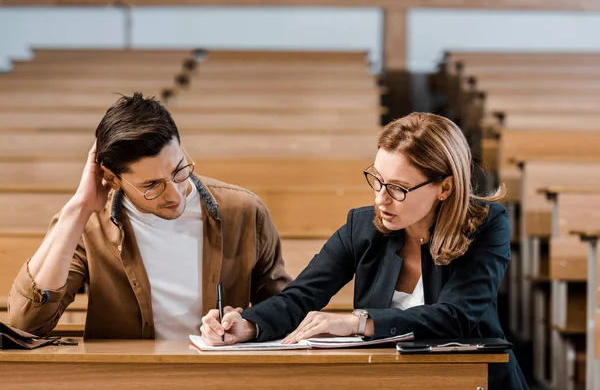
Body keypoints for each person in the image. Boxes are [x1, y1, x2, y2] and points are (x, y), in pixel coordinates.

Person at [200, 112, 528, 389]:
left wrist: (359, 322)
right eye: (378, 180)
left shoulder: (487, 225)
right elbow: (300, 297)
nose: (380, 199)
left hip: (477, 380)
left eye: (398, 188)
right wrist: (247, 325)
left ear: (445, 188)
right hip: (388, 381)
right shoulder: (363, 226)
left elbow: (456, 317)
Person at [8, 92, 292, 340]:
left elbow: (286, 310)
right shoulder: (89, 225)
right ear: (111, 177)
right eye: (152, 185)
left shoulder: (245, 211)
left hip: (219, 376)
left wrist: (248, 324)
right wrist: (79, 208)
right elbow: (27, 324)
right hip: (129, 379)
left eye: (179, 170)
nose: (175, 194)